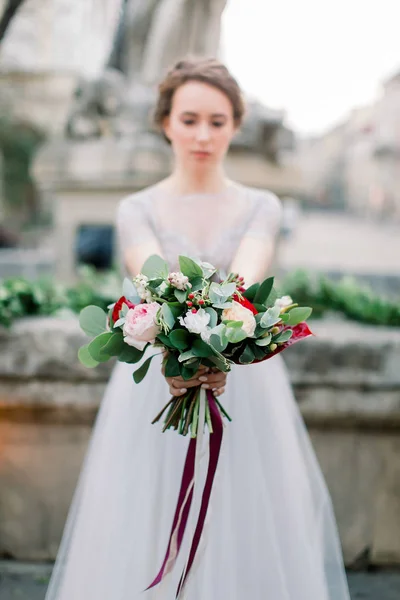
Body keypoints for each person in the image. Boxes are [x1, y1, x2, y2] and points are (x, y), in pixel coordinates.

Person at [45, 57, 351, 600]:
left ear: (237, 123)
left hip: (243, 384)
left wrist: (219, 342)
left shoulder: (262, 205)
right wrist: (182, 351)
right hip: (160, 379)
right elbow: (153, 279)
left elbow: (245, 282)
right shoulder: (136, 208)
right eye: (189, 120)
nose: (203, 135)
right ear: (165, 122)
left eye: (217, 120)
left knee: (249, 514)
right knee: (145, 509)